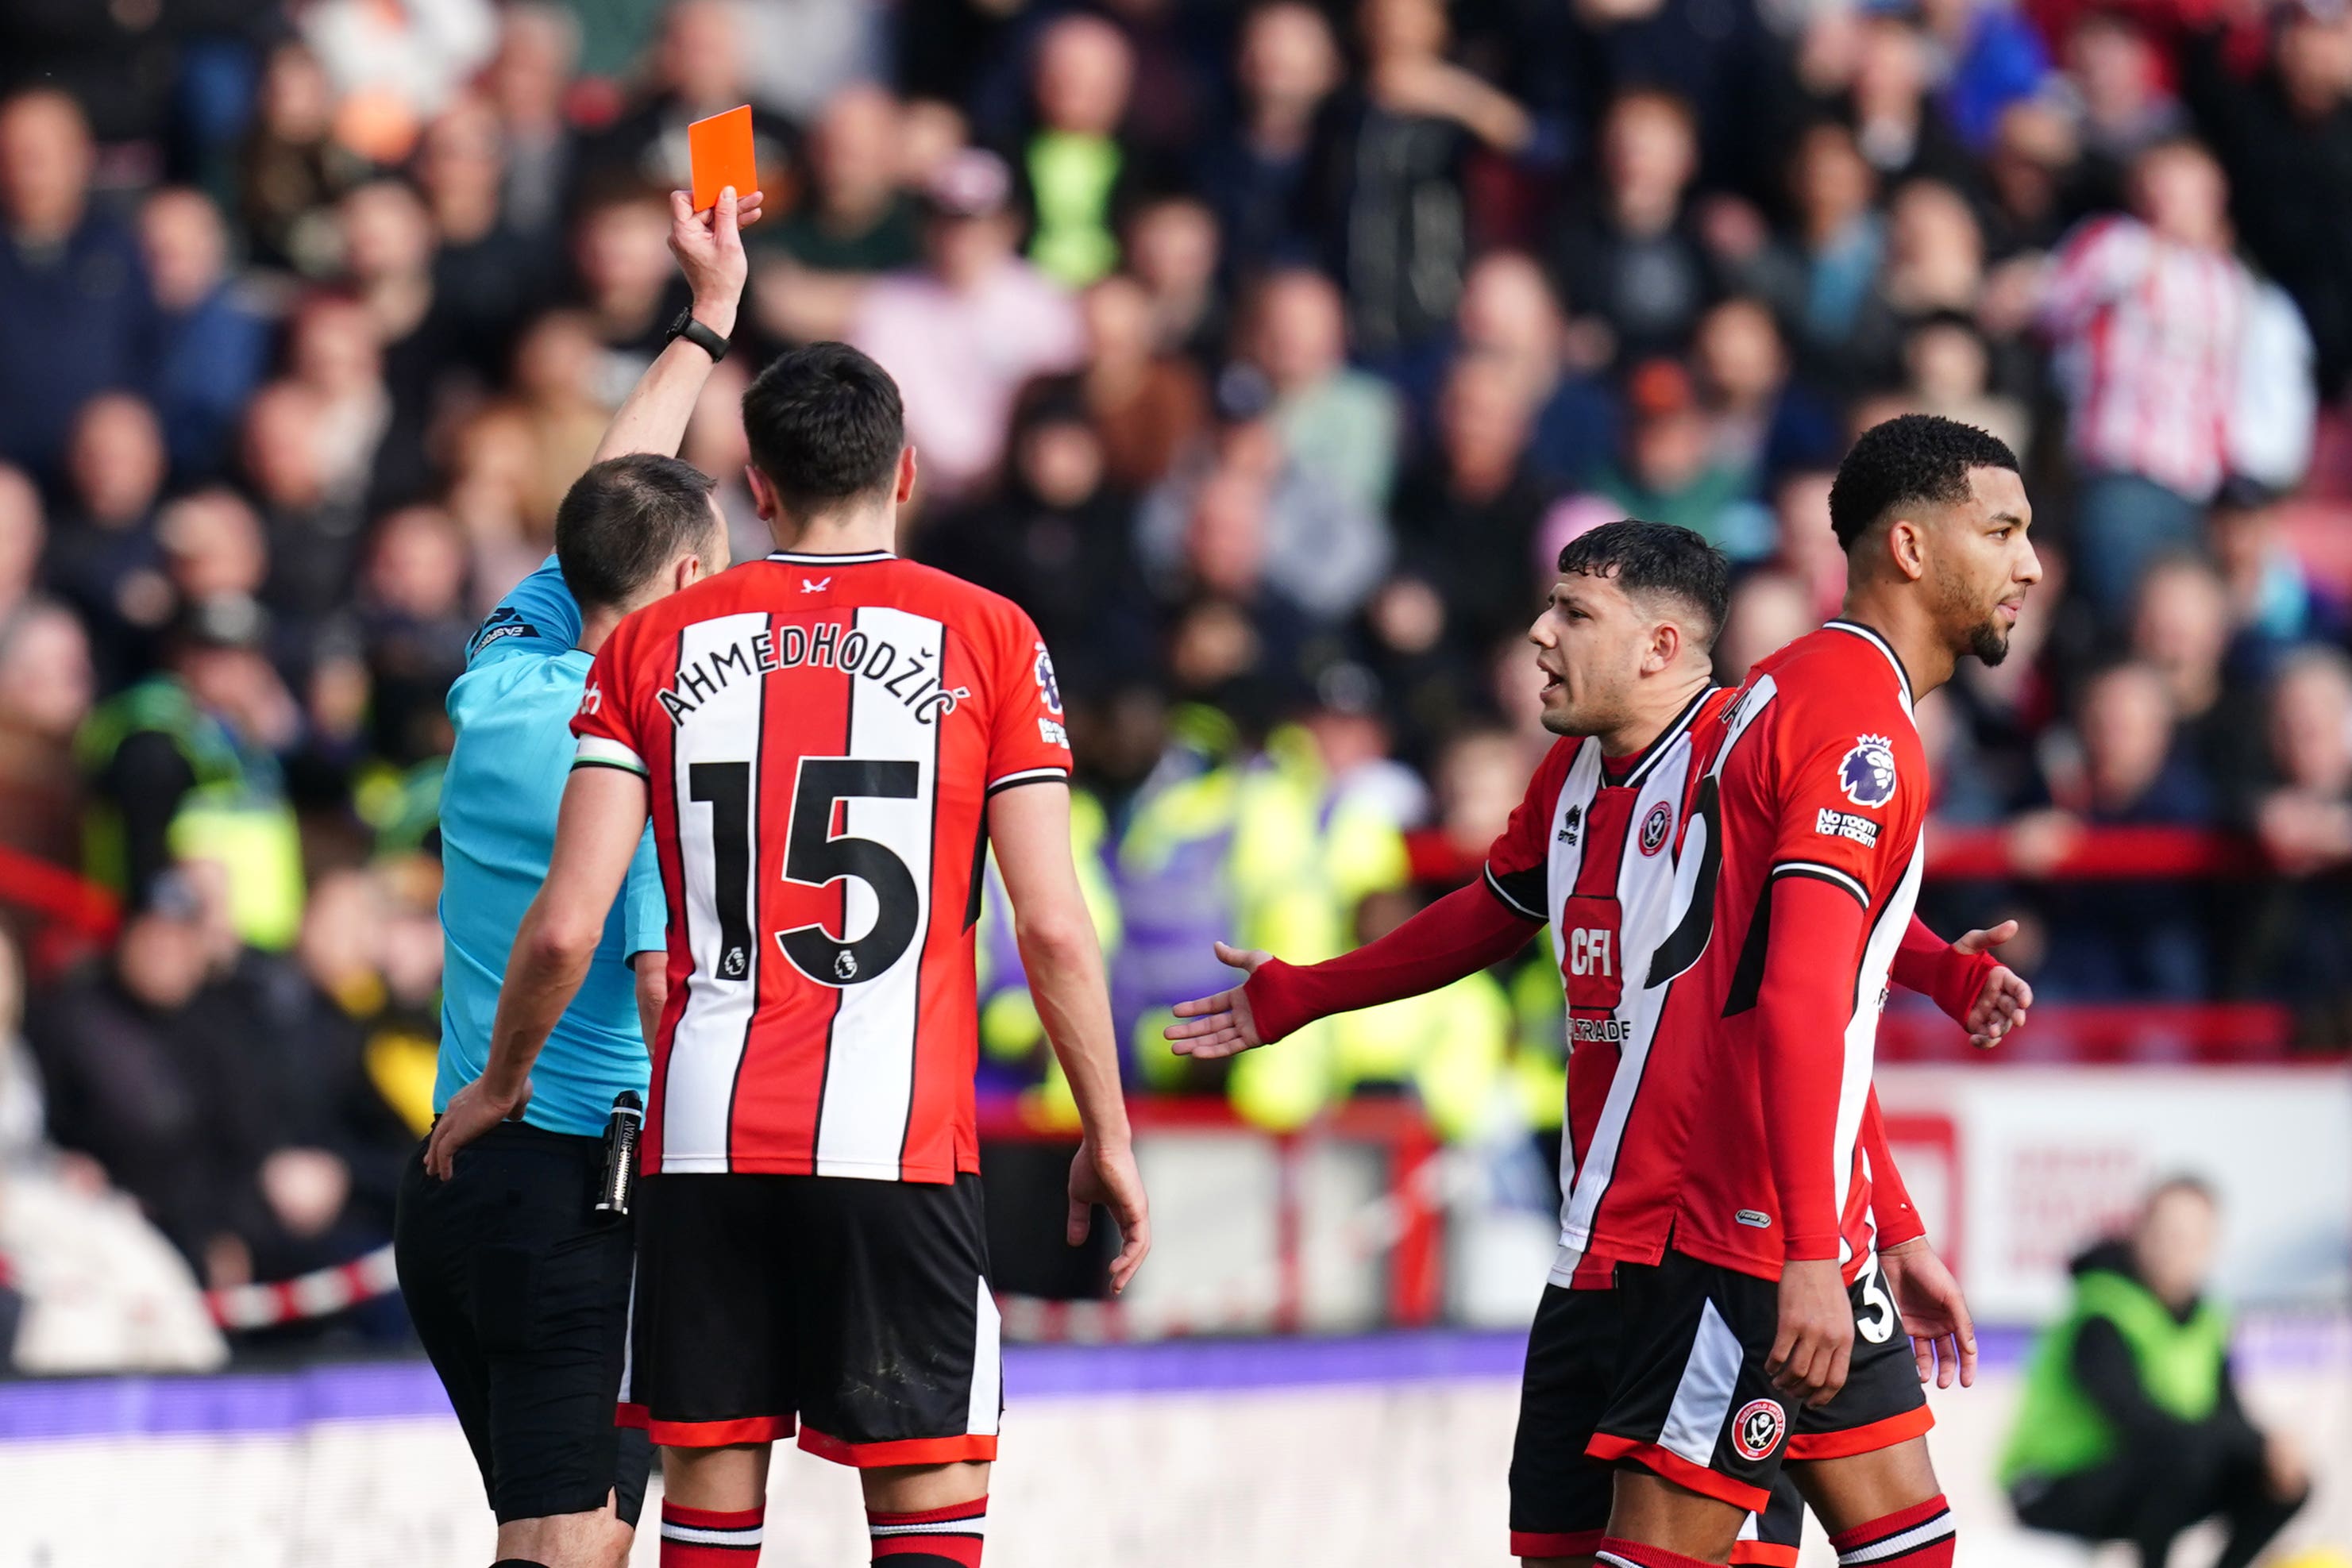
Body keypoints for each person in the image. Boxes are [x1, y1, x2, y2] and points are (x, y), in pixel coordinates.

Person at [1166, 518, 2030, 1568]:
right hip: (1608, 1243)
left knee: (1851, 1544)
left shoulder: (1746, 744)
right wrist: (1306, 991)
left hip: (1729, 1235)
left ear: (1660, 647)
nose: (1538, 634)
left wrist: (1938, 988)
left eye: (1573, 613)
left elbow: (1813, 981)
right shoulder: (1575, 773)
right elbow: (1487, 909)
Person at [426, 337, 1150, 1568]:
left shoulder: (655, 645)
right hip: (900, 1140)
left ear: (756, 486)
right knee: (927, 1521)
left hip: (699, 1139)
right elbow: (1054, 928)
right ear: (908, 470)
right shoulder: (987, 633)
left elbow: (565, 919)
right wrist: (1108, 1130)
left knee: (706, 1526)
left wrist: (498, 1081)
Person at [1565, 414, 2039, 1568]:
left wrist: (1885, 1221)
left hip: (1798, 1217)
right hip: (1750, 1229)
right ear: (1912, 549)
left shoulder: (1793, 686)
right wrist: (1812, 1250)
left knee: (1909, 1546)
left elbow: (1814, 976)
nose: (2028, 563)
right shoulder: (1858, 731)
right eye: (2001, 530)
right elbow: (1786, 1001)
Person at [395, 180, 761, 1568]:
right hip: (570, 1182)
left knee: (583, 1534)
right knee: (565, 1548)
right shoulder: (642, 749)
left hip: (457, 1194)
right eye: (714, 572)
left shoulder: (501, 677)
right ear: (676, 591)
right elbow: (637, 970)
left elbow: (609, 504)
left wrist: (705, 324)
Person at [2005, 1177, 2311, 1568]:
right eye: (2167, 1234)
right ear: (2140, 1233)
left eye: (2191, 1239)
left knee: (2282, 1478)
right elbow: (2136, 1418)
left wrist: (2269, 1447)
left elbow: (2228, 1412)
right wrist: (2248, 1443)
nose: (2176, 1250)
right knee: (2185, 1452)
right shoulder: (2100, 1311)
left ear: (2212, 1246)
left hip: (2141, 1479)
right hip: (2051, 1486)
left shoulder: (2206, 1319)